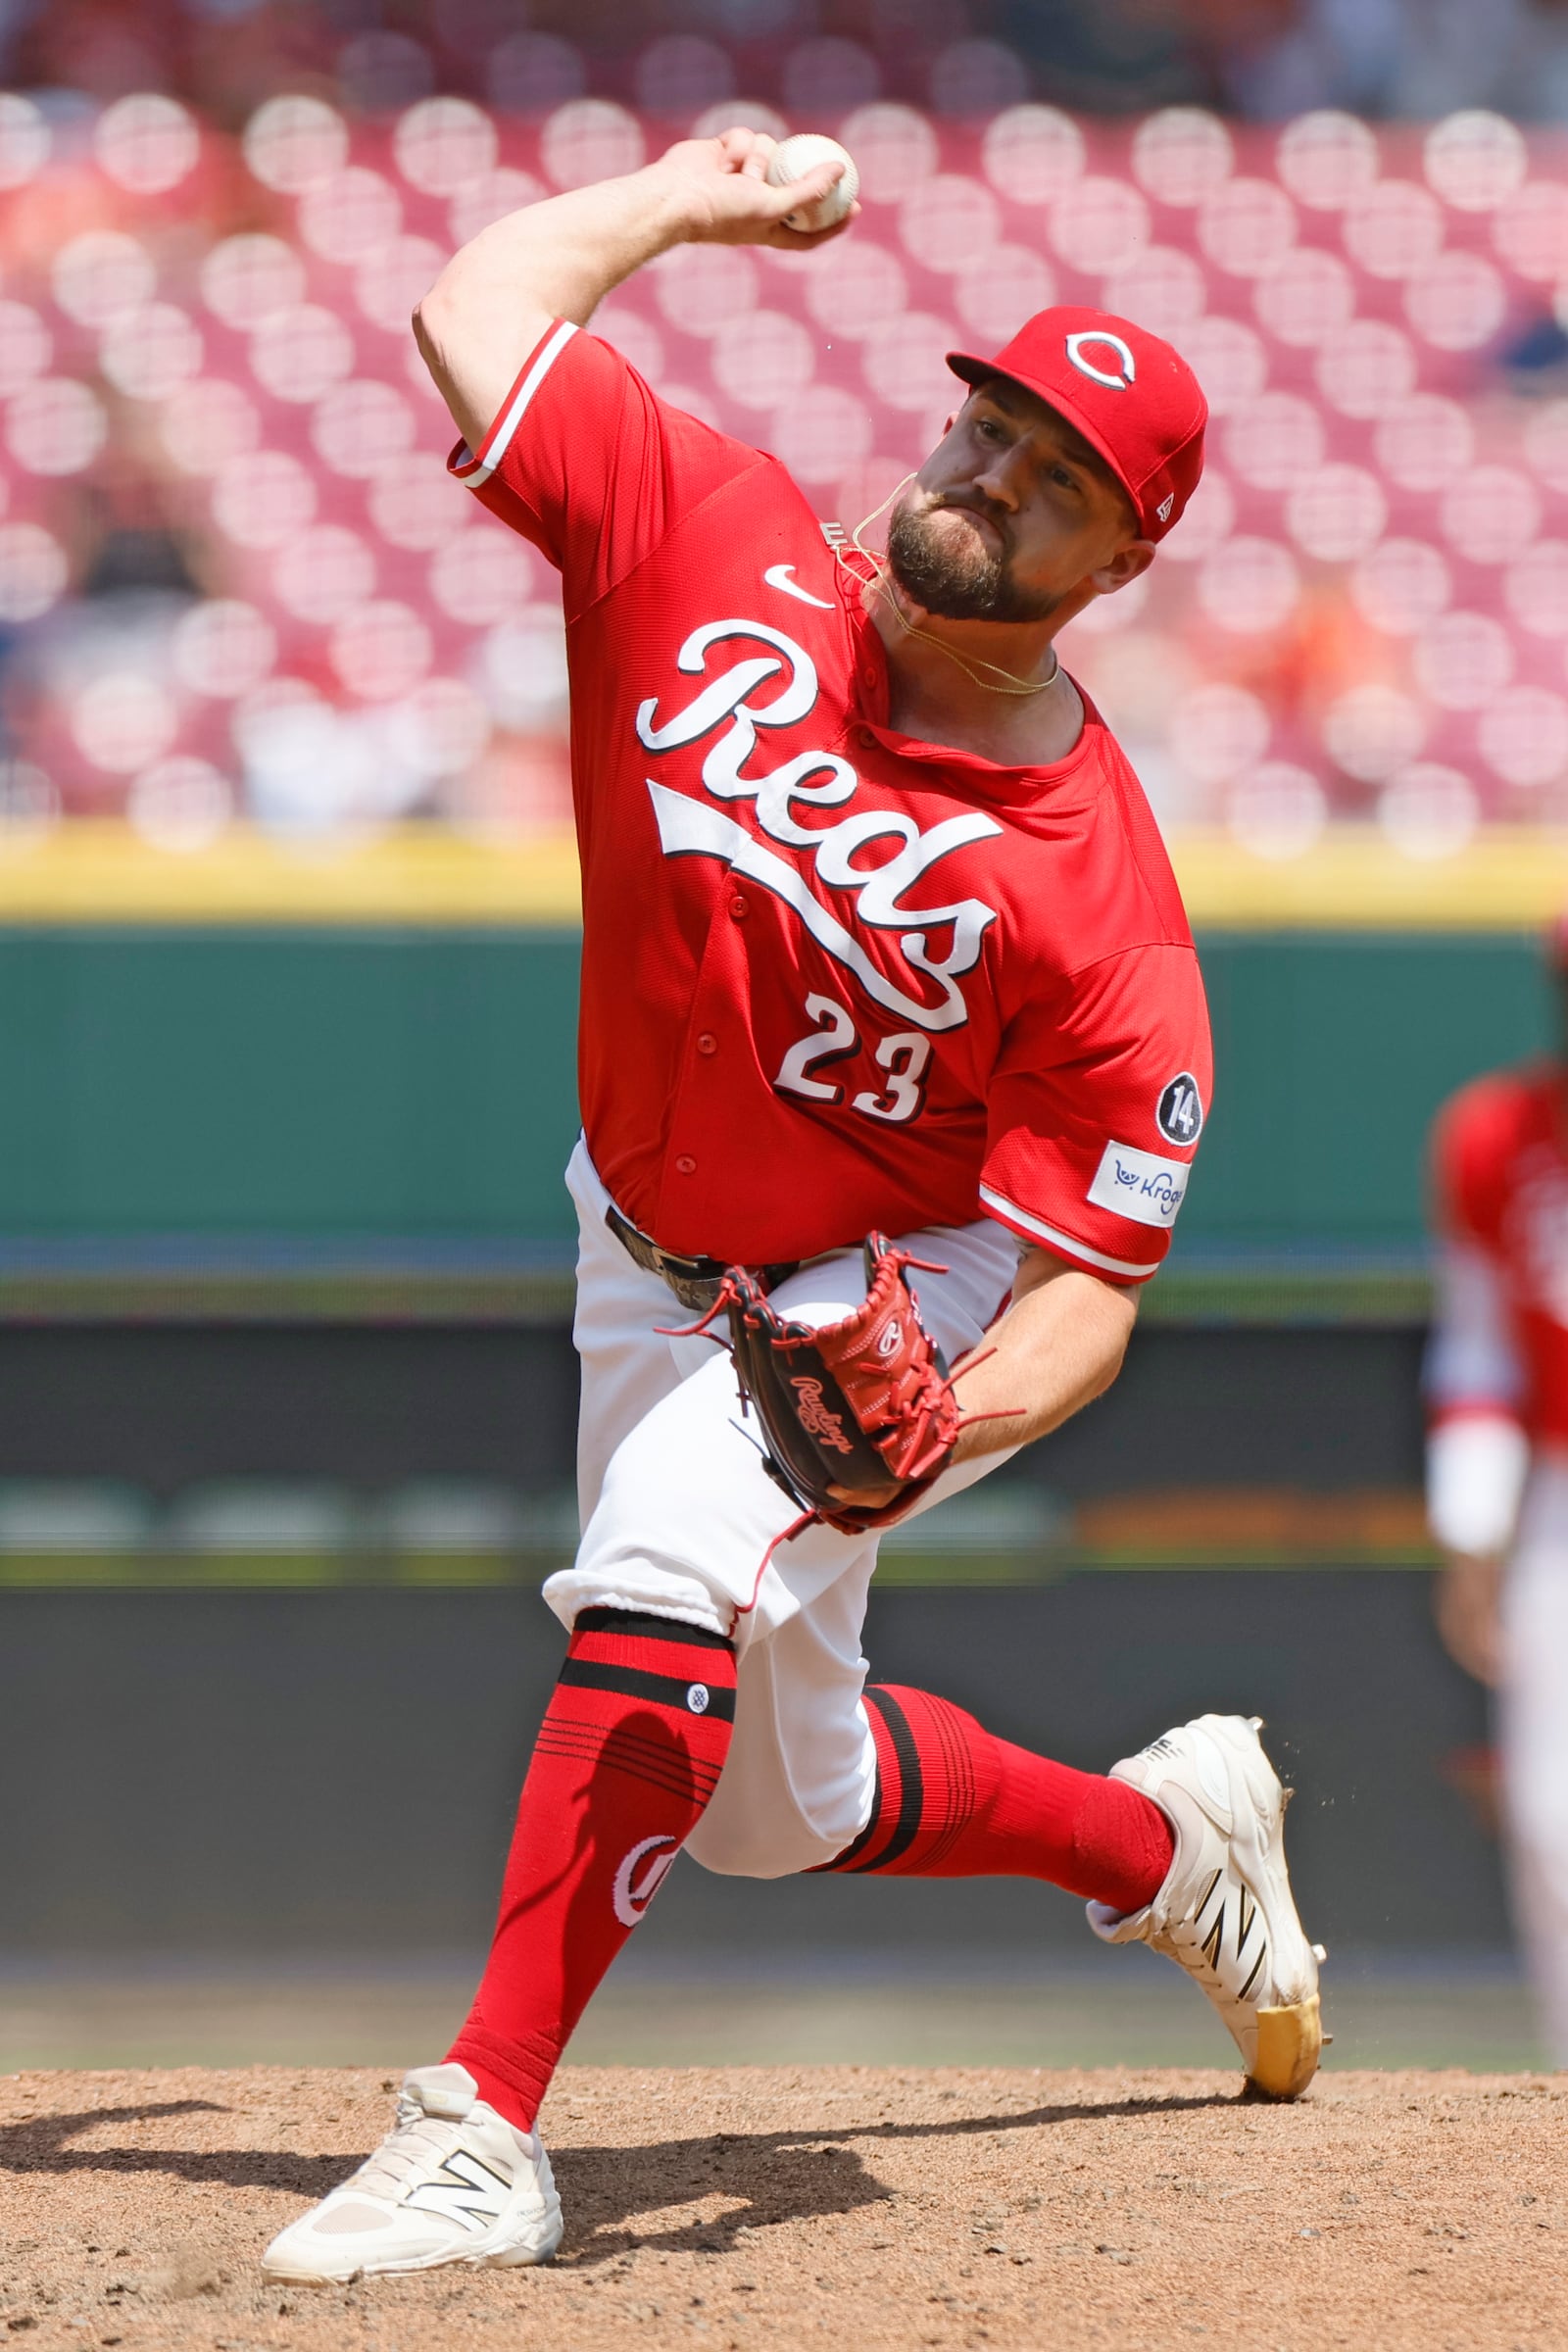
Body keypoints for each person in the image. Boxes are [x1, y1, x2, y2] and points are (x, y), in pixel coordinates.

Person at [262, 126, 1324, 2284]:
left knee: (660, 1563)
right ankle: (1166, 1837)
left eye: (1056, 477)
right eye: (988, 422)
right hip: (637, 1236)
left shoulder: (1097, 901)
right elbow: (471, 315)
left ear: (1118, 558)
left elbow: (1091, 1290)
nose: (991, 475)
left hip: (868, 1281)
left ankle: (478, 2129)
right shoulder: (710, 532)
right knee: (771, 1808)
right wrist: (677, 193)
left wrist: (948, 1417)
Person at [1424, 921, 1568, 2064]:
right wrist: (1471, 1532)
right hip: (1557, 1503)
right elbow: (1479, 1355)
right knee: (1551, 1816)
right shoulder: (1497, 1134)